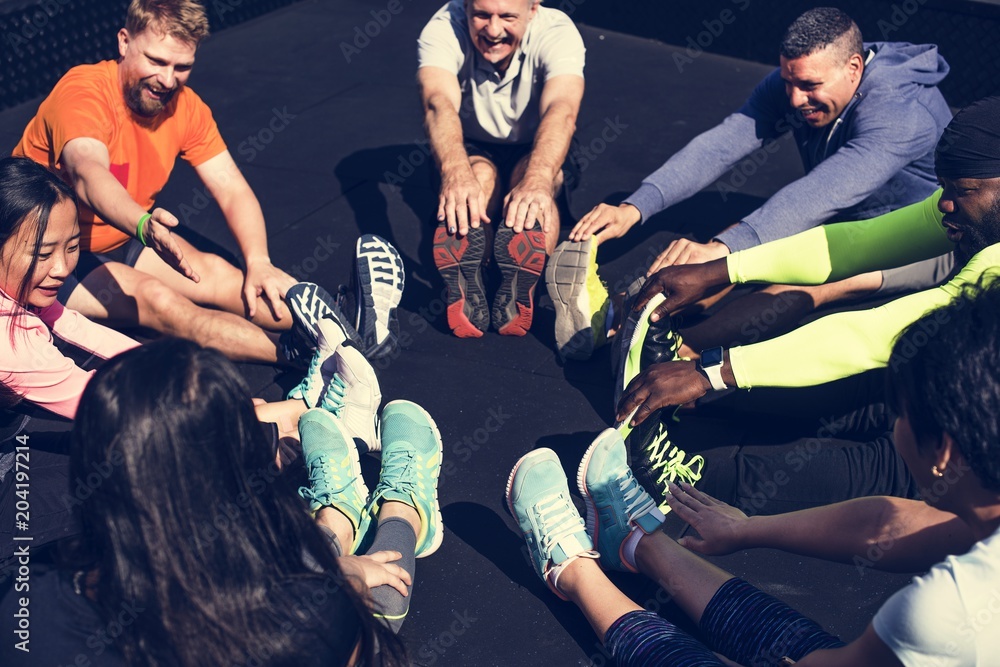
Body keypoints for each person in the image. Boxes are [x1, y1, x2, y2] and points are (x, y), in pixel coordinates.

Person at [508, 282, 1000, 665]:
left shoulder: (949, 611)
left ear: (944, 451)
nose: (895, 424)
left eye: (903, 414)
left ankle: (571, 570)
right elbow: (899, 524)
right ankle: (639, 543)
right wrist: (747, 529)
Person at [0, 337, 444, 665]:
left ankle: (338, 521)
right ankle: (403, 509)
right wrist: (328, 583)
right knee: (374, 605)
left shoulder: (25, 603)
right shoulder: (305, 622)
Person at [12, 0, 405, 366]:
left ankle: (343, 322)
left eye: (181, 67)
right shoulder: (83, 91)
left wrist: (259, 261)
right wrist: (145, 226)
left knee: (225, 276)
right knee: (162, 302)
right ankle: (307, 354)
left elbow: (231, 188)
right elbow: (87, 174)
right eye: (156, 60)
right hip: (44, 253)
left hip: (123, 234)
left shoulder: (186, 107)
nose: (167, 79)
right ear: (124, 41)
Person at [549, 7, 952, 360]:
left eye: (809, 87)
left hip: (926, 239)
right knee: (739, 246)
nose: (794, 99)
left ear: (854, 68)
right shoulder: (801, 80)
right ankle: (618, 318)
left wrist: (723, 253)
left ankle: (671, 354)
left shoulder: (902, 113)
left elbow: (824, 192)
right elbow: (720, 146)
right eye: (789, 83)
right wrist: (636, 206)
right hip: (849, 212)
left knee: (813, 276)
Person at [617, 95, 1000, 440]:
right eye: (944, 188)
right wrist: (719, 270)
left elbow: (875, 335)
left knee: (886, 457)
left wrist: (710, 373)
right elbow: (853, 244)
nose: (945, 204)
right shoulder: (965, 201)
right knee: (776, 400)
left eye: (962, 191)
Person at [418, 0, 585, 337]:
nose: (493, 30)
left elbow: (562, 109)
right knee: (475, 180)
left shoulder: (558, 31)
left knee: (536, 192)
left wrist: (538, 179)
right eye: (481, 15)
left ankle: (521, 286)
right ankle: (477, 279)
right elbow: (438, 103)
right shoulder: (441, 27)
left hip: (537, 142)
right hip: (472, 142)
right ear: (465, 7)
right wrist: (454, 172)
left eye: (507, 16)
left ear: (533, 9)